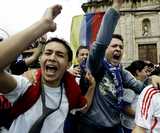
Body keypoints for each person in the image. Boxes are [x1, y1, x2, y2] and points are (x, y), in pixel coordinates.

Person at [0, 4, 95, 133]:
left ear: (68, 64)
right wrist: (43, 25)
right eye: (48, 52)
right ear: (41, 59)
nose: (52, 58)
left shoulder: (71, 91)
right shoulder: (26, 84)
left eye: (60, 55)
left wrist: (91, 87)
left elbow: (83, 107)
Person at [78, 0, 150, 133]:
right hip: (92, 127)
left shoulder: (122, 72)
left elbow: (139, 87)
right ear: (105, 50)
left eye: (121, 47)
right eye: (114, 46)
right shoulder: (95, 66)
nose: (118, 49)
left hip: (115, 127)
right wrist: (116, 5)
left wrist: (155, 82)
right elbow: (100, 44)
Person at [120, 60, 149, 133]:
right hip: (130, 127)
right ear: (138, 72)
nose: (147, 74)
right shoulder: (131, 88)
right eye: (145, 71)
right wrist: (144, 116)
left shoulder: (140, 86)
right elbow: (126, 108)